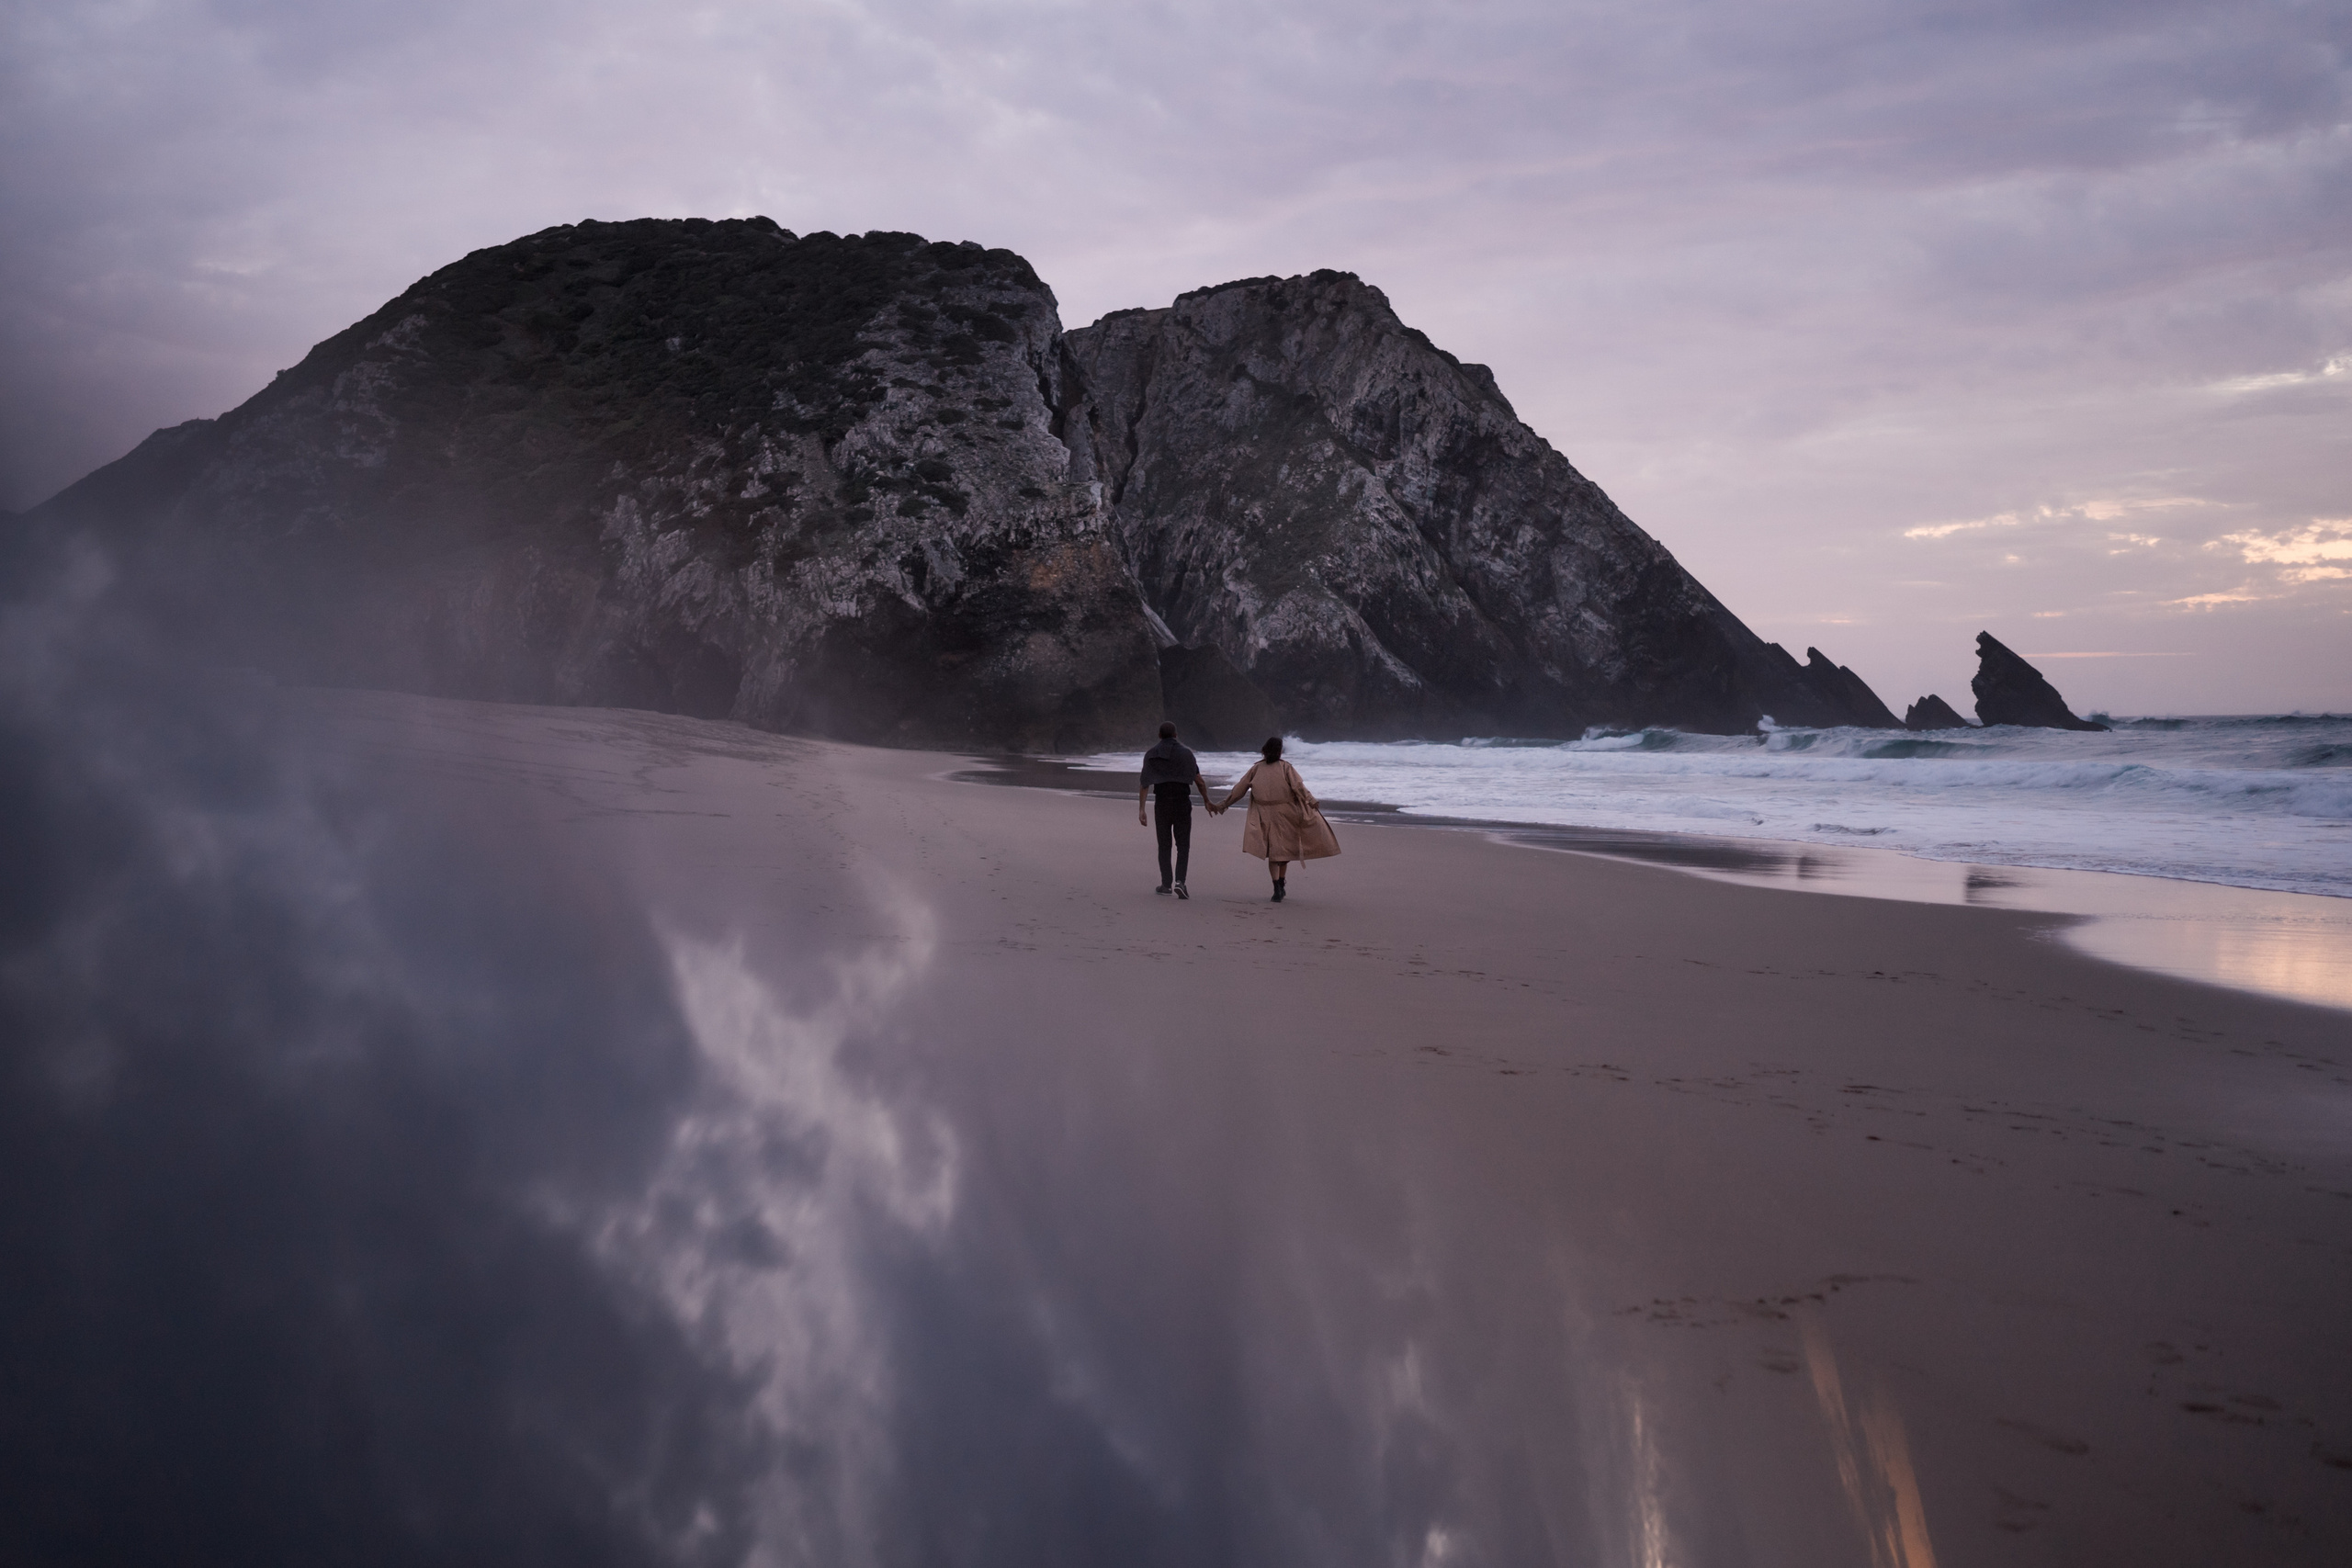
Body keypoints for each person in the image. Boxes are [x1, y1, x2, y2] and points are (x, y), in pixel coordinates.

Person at [1217, 736, 1338, 901]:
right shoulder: (1285, 767)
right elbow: (1298, 787)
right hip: (1286, 812)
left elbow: (1239, 789)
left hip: (1264, 813)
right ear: (1280, 751)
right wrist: (1311, 800)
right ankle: (1280, 885)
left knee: (1274, 851)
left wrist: (1224, 804)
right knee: (1284, 849)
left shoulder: (1256, 769)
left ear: (1264, 750)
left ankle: (1277, 886)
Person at [1137, 722, 1218, 897]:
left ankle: (1166, 884)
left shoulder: (1151, 754)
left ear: (1159, 735)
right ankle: (1180, 882)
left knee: (1164, 845)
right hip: (1182, 802)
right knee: (1183, 845)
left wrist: (1141, 810)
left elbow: (1144, 783)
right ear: (1176, 735)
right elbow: (1199, 781)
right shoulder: (1187, 754)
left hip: (1162, 803)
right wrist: (1206, 801)